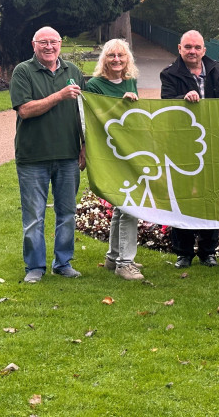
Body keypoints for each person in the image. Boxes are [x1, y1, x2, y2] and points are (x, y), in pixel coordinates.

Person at [9, 26, 85, 283]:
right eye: (43, 42)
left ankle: (62, 263)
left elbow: (83, 114)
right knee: (34, 216)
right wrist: (59, 95)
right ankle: (35, 266)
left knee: (67, 213)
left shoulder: (73, 71)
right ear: (34, 45)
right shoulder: (23, 71)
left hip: (68, 156)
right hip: (33, 157)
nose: (49, 47)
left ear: (61, 44)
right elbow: (25, 110)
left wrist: (84, 147)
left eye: (54, 42)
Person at [160, 29, 219, 268]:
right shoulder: (169, 73)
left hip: (213, 142)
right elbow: (167, 104)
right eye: (187, 47)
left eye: (197, 47)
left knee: (212, 195)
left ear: (204, 50)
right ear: (179, 48)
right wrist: (183, 97)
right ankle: (184, 252)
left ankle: (208, 251)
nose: (192, 51)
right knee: (184, 195)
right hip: (184, 144)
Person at [85, 38, 144, 282]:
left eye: (121, 55)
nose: (117, 60)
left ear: (127, 58)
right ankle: (125, 264)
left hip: (129, 148)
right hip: (109, 151)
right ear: (104, 59)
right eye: (111, 56)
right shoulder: (96, 85)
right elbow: (96, 117)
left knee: (123, 205)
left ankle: (114, 256)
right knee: (130, 203)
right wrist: (120, 104)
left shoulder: (131, 81)